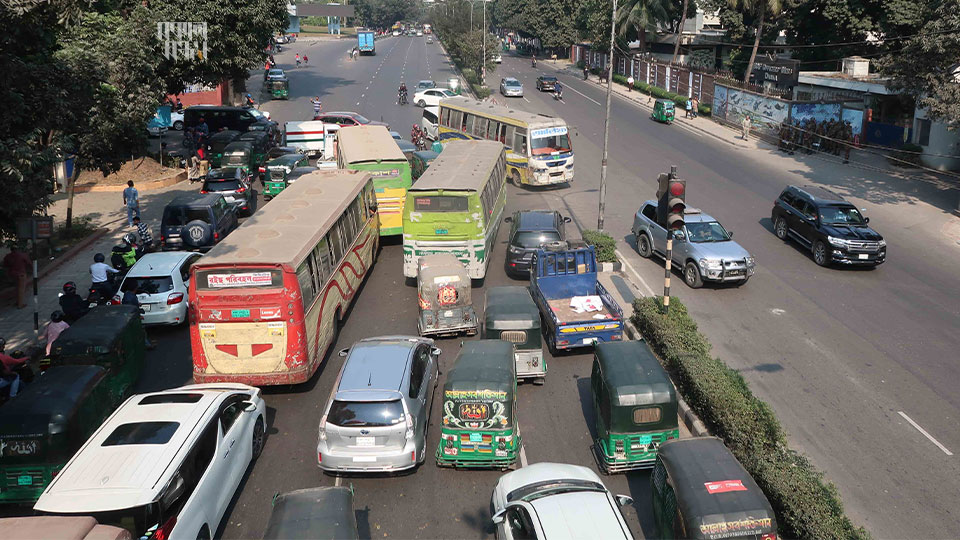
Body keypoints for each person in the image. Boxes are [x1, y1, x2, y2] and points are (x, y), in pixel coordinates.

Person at [120, 282, 154, 349]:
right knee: (140, 331)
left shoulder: (128, 294)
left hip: (132, 316)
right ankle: (146, 345)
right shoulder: (130, 297)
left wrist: (137, 304)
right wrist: (137, 316)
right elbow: (130, 308)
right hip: (132, 318)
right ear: (135, 288)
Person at [2, 243, 31, 309]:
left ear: (11, 250)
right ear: (17, 249)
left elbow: (5, 265)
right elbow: (29, 263)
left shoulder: (8, 256)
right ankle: (20, 305)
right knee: (21, 289)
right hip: (21, 274)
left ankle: (17, 302)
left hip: (12, 275)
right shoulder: (22, 255)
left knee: (16, 288)